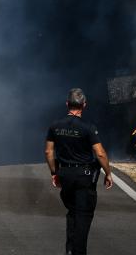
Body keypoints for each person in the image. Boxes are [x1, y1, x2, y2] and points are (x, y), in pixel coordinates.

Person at [44, 88, 113, 255]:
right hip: (84, 177)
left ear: (67, 104)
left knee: (72, 212)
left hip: (65, 174)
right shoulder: (88, 128)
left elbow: (48, 151)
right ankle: (78, 252)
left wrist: (54, 173)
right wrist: (108, 173)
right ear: (84, 105)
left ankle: (70, 249)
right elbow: (100, 153)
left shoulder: (55, 126)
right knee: (83, 215)